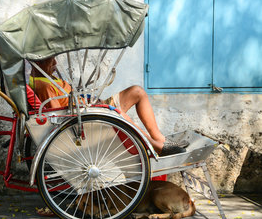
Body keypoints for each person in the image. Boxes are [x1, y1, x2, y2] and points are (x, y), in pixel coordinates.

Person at [29, 57, 186, 157]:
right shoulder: (43, 85)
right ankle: (155, 145)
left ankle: (160, 140)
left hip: (92, 107)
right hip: (85, 116)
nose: (56, 63)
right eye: (51, 60)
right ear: (38, 63)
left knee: (137, 92)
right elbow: (59, 116)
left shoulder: (46, 78)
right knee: (120, 116)